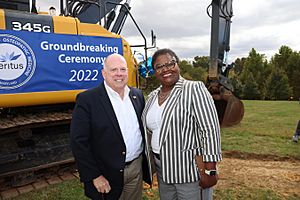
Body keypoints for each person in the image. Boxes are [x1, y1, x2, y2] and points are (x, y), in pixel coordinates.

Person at [142, 48, 222, 200]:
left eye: (170, 64)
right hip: (162, 170)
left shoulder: (193, 89)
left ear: (177, 65)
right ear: (155, 71)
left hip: (189, 171)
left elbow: (210, 129)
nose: (165, 69)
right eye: (159, 67)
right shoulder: (152, 96)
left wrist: (210, 170)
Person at [70, 53, 152, 200]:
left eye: (123, 69)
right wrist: (94, 176)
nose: (119, 74)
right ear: (104, 73)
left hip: (135, 169)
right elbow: (78, 142)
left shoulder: (137, 95)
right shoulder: (88, 100)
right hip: (106, 174)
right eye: (114, 70)